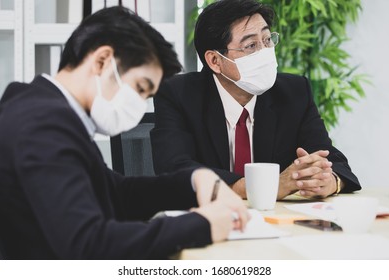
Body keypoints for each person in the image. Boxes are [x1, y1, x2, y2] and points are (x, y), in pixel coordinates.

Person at [0, 6, 249, 260]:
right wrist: (202, 224)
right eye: (140, 88)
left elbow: (116, 193)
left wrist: (195, 180)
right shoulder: (43, 124)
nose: (140, 106)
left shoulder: (48, 112)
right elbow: (88, 243)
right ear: (102, 61)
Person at [150, 0, 361, 200]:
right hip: (208, 219)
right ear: (215, 60)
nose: (265, 52)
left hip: (278, 222)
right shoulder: (178, 94)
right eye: (251, 45)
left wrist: (330, 181)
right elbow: (175, 169)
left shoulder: (294, 92)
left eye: (267, 40)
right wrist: (264, 187)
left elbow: (332, 160)